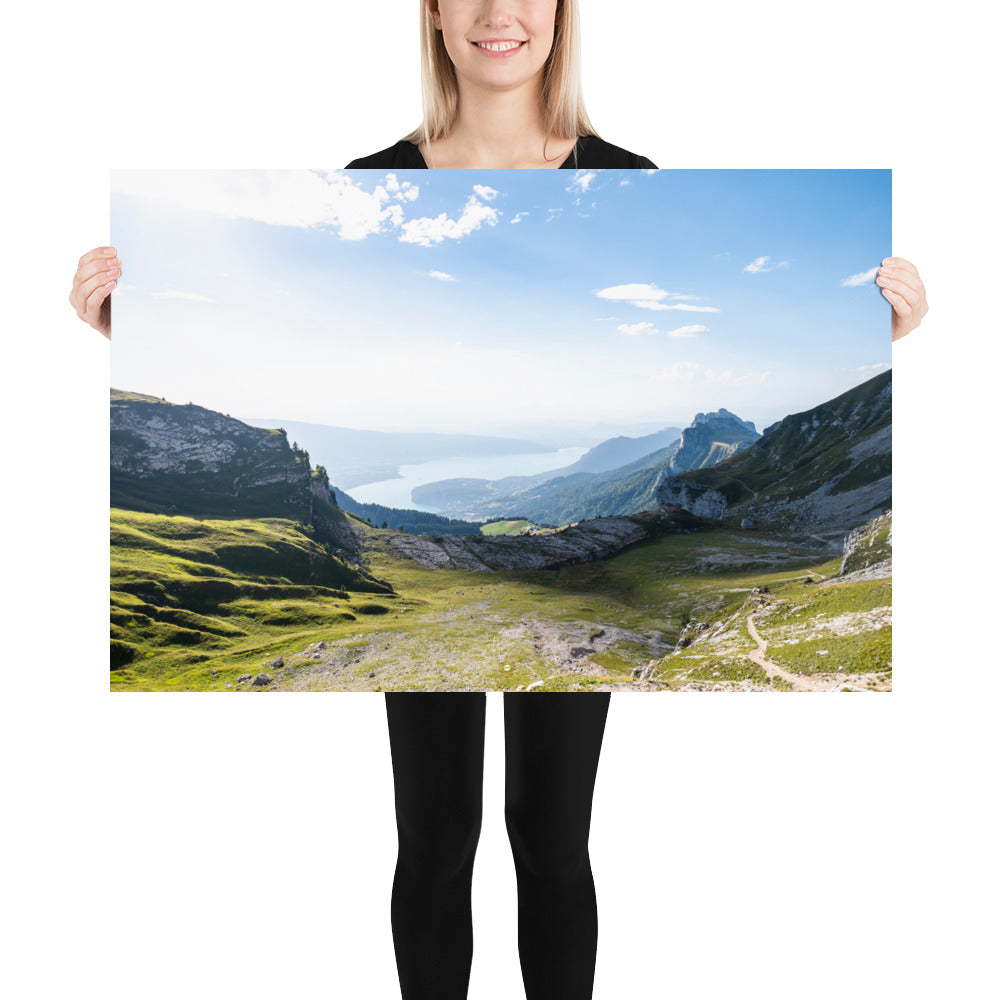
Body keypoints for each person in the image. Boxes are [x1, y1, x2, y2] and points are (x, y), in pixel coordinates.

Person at [69, 2, 928, 998]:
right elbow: (303, 339)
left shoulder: (630, 181)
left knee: (552, 840)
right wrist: (132, 332)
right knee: (435, 840)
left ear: (563, 14)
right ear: (430, 14)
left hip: (576, 626)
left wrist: (885, 339)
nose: (496, 14)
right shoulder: (372, 181)